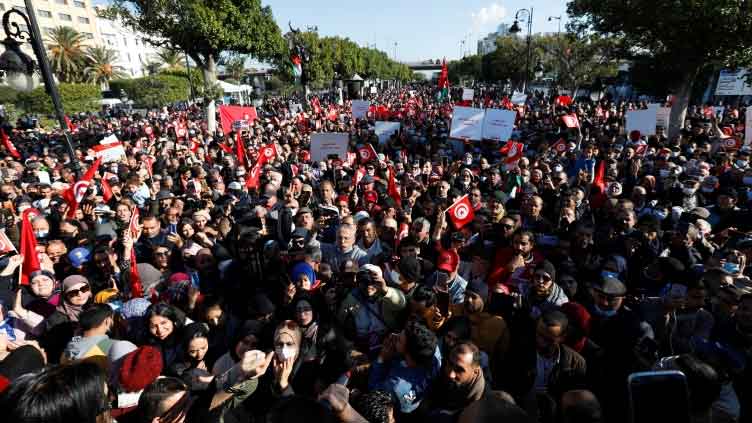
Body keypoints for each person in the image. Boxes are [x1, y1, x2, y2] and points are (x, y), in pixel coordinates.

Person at [368, 320, 441, 415]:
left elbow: (373, 390)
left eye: (399, 340)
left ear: (409, 356)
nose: (394, 335)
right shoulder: (435, 352)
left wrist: (381, 359)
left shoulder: (394, 385)